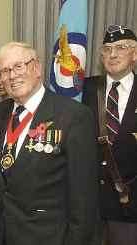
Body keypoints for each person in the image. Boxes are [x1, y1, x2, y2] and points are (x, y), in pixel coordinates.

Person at [0, 41, 100, 245]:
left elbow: (84, 197)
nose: (11, 76)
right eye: (4, 71)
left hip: (47, 236)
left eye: (18, 66)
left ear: (36, 68)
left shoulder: (74, 116)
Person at [83, 24, 137, 245]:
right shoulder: (84, 90)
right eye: (107, 48)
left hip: (130, 207)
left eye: (121, 47)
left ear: (134, 54)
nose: (113, 54)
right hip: (88, 206)